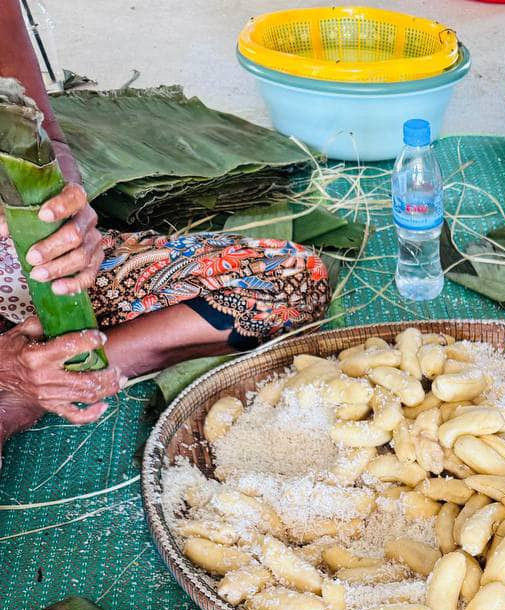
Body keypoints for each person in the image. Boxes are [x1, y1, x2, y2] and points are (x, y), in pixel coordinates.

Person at [0, 0, 331, 462]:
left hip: (18, 263)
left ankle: (77, 371)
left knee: (290, 281)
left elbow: (42, 133)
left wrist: (65, 205)